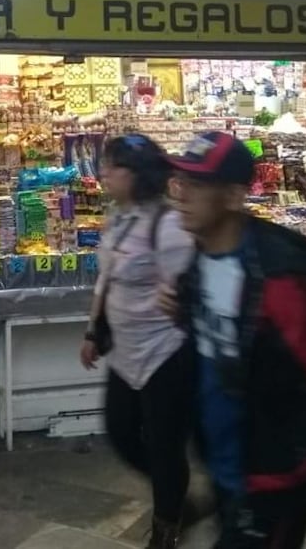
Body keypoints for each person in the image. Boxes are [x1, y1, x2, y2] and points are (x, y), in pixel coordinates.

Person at [159, 132, 306, 549]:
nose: (181, 196)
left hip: (277, 477)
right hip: (227, 467)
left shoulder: (282, 281)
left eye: (197, 185)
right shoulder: (200, 258)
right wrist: (185, 313)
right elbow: (231, 350)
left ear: (235, 196)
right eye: (179, 182)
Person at [79, 134, 196, 549]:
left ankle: (168, 526)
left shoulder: (168, 226)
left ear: (138, 175)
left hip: (165, 354)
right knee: (122, 432)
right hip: (124, 354)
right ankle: (178, 493)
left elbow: (187, 294)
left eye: (115, 166)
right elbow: (106, 278)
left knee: (165, 446)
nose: (105, 173)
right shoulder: (118, 217)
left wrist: (178, 302)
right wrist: (93, 330)